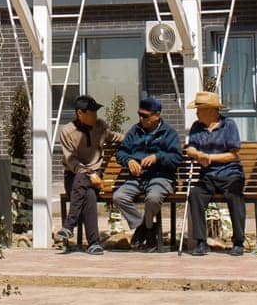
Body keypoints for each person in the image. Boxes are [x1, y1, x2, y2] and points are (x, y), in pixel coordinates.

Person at [112, 94, 183, 250]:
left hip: (161, 177)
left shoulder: (169, 133)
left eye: (145, 116)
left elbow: (177, 158)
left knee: (153, 198)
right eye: (139, 115)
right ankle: (145, 226)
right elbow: (121, 153)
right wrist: (129, 161)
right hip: (138, 178)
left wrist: (158, 157)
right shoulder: (134, 131)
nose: (141, 119)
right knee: (119, 196)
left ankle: (145, 227)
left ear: (157, 115)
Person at [184, 90, 246, 256]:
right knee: (195, 194)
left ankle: (239, 241)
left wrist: (210, 157)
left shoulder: (229, 125)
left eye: (199, 109)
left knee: (235, 195)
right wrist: (197, 155)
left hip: (230, 174)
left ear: (211, 110)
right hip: (208, 177)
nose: (196, 112)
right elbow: (190, 148)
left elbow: (234, 154)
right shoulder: (197, 127)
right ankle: (201, 242)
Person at [56, 94, 118, 254]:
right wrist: (90, 174)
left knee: (86, 186)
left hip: (96, 176)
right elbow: (72, 162)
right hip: (74, 176)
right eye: (92, 112)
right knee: (88, 194)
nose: (96, 116)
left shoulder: (100, 126)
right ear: (80, 113)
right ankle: (94, 243)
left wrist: (136, 140)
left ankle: (70, 225)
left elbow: (114, 137)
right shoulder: (67, 131)